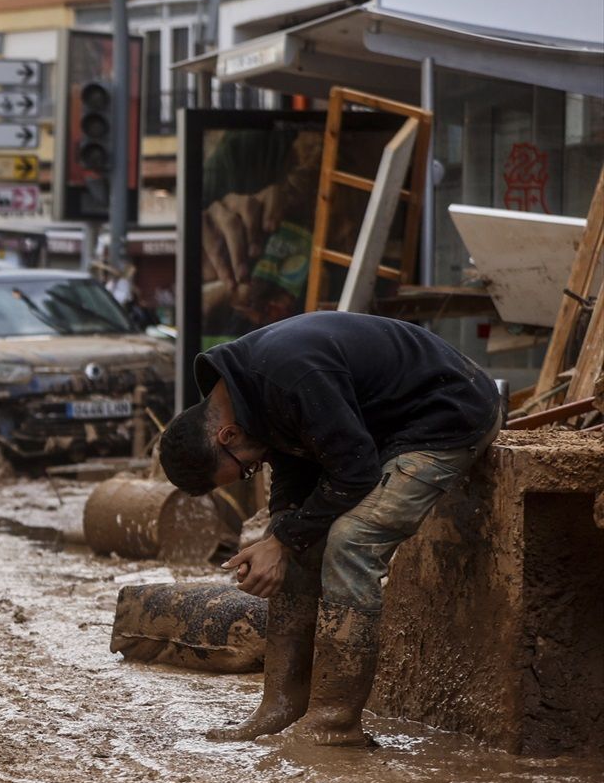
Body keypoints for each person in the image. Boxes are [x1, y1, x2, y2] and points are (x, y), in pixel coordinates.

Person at [158, 311, 503, 748]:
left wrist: (280, 541)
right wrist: (280, 529)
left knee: (350, 542)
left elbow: (355, 473)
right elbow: (292, 456)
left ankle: (335, 723)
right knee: (291, 537)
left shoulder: (290, 377)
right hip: (379, 430)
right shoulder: (244, 394)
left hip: (448, 416)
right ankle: (282, 706)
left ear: (226, 435)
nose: (254, 469)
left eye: (245, 471)